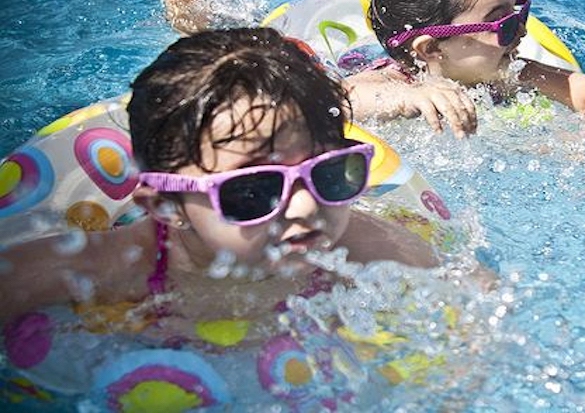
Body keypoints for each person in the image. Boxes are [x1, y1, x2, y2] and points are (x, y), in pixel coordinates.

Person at [0, 27, 439, 326]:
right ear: (165, 206)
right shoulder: (102, 271)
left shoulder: (367, 248)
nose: (306, 206)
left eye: (329, 174)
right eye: (253, 190)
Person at [160, 0, 585, 141]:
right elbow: (333, 102)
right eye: (503, 24)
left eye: (519, 13)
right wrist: (408, 97)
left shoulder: (515, 71)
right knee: (199, 37)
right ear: (431, 48)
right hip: (338, 63)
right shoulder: (393, 78)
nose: (520, 32)